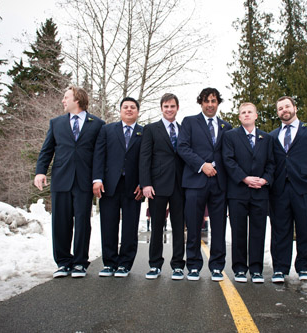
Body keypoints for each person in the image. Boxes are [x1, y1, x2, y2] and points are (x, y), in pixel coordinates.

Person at [34, 86, 105, 278]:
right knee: (60, 222)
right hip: (61, 180)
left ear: (78, 100)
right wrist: (40, 172)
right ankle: (63, 262)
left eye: (66, 97)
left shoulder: (97, 124)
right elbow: (47, 150)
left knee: (82, 222)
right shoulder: (56, 123)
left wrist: (97, 179)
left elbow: (100, 155)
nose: (63, 101)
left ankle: (80, 263)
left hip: (84, 181)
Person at [269, 96, 307, 283]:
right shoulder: (271, 136)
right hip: (279, 190)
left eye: (287, 106)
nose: (284, 110)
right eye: (280, 108)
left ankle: (304, 268)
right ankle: (279, 268)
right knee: (280, 230)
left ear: (295, 107)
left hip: (306, 189)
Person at [177, 87, 232, 281]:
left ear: (218, 103)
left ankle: (217, 266)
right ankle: (193, 265)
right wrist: (202, 165)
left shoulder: (227, 126)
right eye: (206, 101)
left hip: (219, 184)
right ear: (201, 102)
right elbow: (182, 147)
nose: (210, 105)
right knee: (193, 226)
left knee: (219, 227)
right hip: (195, 181)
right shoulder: (190, 122)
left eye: (214, 101)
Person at [222, 102, 275, 283]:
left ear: (256, 115)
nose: (246, 114)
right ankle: (239, 269)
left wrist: (265, 179)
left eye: (249, 112)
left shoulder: (266, 138)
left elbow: (272, 163)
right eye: (243, 112)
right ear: (239, 117)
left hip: (260, 192)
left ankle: (256, 269)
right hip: (238, 192)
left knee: (258, 231)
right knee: (238, 231)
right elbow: (228, 160)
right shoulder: (230, 136)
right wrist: (244, 178)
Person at [93, 97, 144, 278]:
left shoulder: (144, 132)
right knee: (108, 224)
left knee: (130, 226)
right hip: (109, 185)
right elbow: (99, 155)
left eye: (132, 107)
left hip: (133, 187)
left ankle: (124, 264)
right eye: (125, 107)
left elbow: (146, 161)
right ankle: (109, 263)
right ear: (120, 110)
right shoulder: (107, 130)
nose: (129, 110)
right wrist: (97, 179)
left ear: (137, 111)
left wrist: (143, 183)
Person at [139, 93, 186, 280]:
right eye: (166, 106)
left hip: (180, 185)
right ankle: (155, 264)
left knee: (178, 227)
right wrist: (146, 184)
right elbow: (144, 157)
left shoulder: (184, 129)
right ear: (161, 108)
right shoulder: (151, 129)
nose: (169, 109)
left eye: (172, 106)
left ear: (177, 108)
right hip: (157, 185)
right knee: (157, 226)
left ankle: (177, 265)